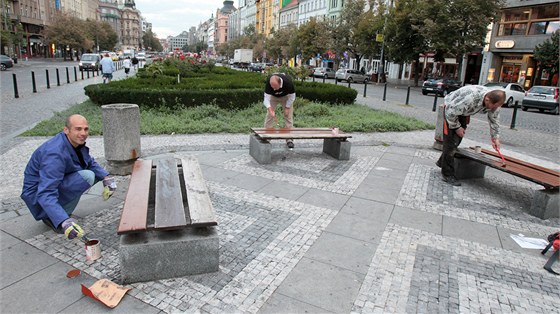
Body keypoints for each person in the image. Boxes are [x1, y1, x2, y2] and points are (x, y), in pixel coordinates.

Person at [20, 114, 117, 240]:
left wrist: (106, 178)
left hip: (49, 186)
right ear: (66, 130)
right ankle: (54, 218)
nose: (83, 133)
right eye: (78, 129)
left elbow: (88, 161)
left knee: (91, 174)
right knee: (87, 176)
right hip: (37, 196)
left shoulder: (73, 143)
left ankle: (58, 214)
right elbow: (45, 193)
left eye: (86, 129)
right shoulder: (54, 154)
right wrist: (63, 221)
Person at [436, 85, 506, 186]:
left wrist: (495, 138)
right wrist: (457, 127)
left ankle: (442, 162)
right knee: (451, 143)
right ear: (487, 99)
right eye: (493, 106)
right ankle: (447, 174)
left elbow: (494, 120)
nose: (494, 109)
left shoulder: (495, 103)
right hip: (451, 109)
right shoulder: (470, 98)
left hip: (463, 111)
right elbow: (450, 112)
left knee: (458, 139)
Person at [264, 73, 296, 148]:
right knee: (269, 115)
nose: (273, 89)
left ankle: (289, 139)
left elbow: (292, 97)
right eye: (272, 87)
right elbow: (266, 98)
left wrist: (287, 108)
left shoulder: (288, 82)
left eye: (275, 87)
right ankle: (267, 137)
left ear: (280, 83)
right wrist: (270, 109)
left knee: (288, 116)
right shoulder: (269, 82)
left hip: (286, 97)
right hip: (273, 97)